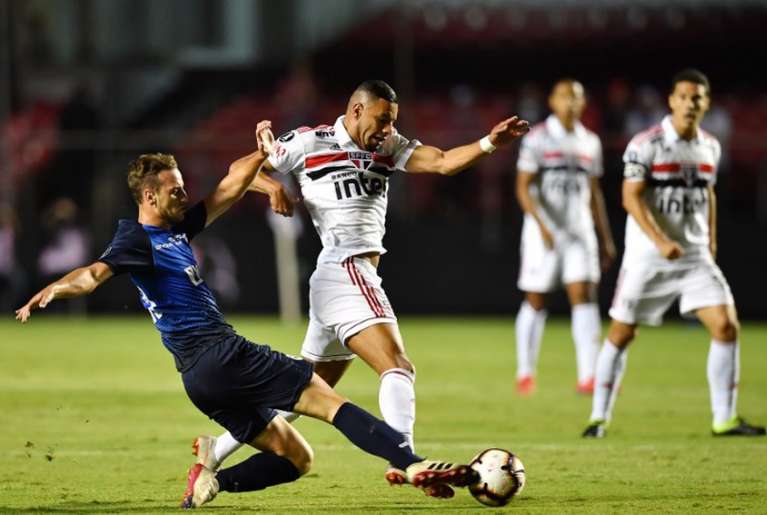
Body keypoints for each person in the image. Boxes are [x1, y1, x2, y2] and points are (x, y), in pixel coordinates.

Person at [15, 123, 479, 509]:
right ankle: (411, 461)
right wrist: (56, 288)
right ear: (150, 198)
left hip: (199, 380)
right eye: (175, 190)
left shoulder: (179, 228)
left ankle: (214, 480)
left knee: (297, 458)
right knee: (329, 401)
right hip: (224, 354)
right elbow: (93, 274)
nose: (184, 194)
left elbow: (229, 186)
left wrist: (262, 156)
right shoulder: (136, 241)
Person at [203, 80, 530, 488]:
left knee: (303, 393)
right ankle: (405, 458)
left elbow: (443, 161)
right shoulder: (309, 142)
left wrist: (489, 143)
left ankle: (213, 453)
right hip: (345, 268)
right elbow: (240, 171)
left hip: (342, 279)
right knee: (397, 366)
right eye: (382, 120)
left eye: (392, 121)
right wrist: (271, 186)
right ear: (356, 111)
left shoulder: (389, 146)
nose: (388, 129)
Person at [581, 70, 766, 438]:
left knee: (726, 326)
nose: (690, 103)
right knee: (622, 332)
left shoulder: (710, 146)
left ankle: (724, 418)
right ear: (672, 100)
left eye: (697, 98)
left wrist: (710, 241)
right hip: (649, 257)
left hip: (694, 255)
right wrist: (660, 240)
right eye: (684, 96)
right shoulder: (646, 143)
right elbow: (630, 197)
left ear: (706, 103)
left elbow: (708, 194)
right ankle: (598, 417)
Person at [514, 79, 616, 396]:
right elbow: (522, 186)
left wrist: (605, 237)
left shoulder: (590, 141)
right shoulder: (539, 138)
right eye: (564, 96)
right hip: (543, 233)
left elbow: (594, 192)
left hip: (580, 232)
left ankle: (589, 377)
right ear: (552, 101)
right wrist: (542, 225)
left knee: (584, 298)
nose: (570, 102)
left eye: (576, 97)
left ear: (583, 103)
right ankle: (525, 372)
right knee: (536, 299)